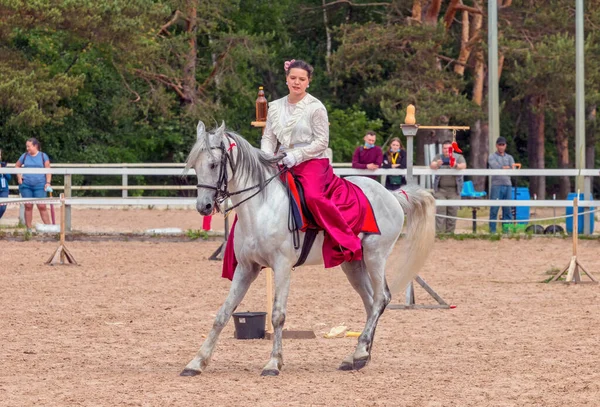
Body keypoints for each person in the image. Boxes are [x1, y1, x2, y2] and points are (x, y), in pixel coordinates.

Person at [259, 59, 368, 266]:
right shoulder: (274, 107)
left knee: (313, 196)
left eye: (301, 79)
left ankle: (343, 240)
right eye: (293, 78)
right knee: (258, 192)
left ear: (308, 82)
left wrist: (297, 156)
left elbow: (322, 141)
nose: (297, 82)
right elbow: (269, 138)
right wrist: (267, 157)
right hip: (280, 160)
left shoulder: (316, 107)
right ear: (286, 80)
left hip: (311, 161)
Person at [430, 140, 467, 234]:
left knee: (452, 212)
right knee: (440, 212)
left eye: (449, 148)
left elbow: (464, 165)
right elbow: (432, 165)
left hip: (454, 190)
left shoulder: (458, 157)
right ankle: (439, 233)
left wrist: (455, 165)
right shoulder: (439, 157)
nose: (447, 150)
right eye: (445, 148)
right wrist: (437, 164)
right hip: (440, 190)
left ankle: (450, 233)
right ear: (442, 149)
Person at [15, 138, 52, 230]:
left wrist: (48, 182)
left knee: (42, 206)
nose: (27, 148)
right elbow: (17, 165)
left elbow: (48, 170)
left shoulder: (43, 156)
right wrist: (19, 177)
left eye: (29, 146)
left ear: (35, 146)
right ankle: (29, 229)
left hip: (40, 184)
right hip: (26, 185)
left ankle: (49, 228)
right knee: (28, 206)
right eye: (26, 146)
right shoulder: (24, 156)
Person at [488, 136, 515, 233]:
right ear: (496, 145)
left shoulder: (510, 157)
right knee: (494, 209)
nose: (501, 147)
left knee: (507, 209)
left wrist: (505, 168)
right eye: (499, 145)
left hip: (507, 185)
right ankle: (492, 231)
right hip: (496, 185)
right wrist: (505, 168)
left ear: (505, 146)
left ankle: (506, 230)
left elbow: (514, 169)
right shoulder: (492, 156)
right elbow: (495, 167)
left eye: (503, 145)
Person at [0, 149, 11, 220]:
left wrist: (4, 170)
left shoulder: (3, 165)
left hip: (4, 190)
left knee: (3, 208)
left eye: (0, 154)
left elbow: (9, 178)